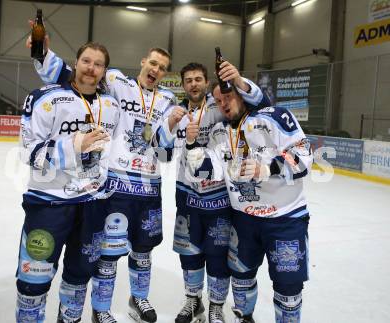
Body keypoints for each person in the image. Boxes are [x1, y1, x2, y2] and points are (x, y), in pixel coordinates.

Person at [31, 40, 184, 322]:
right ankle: (100, 309)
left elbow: (164, 150)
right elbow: (76, 76)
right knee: (107, 254)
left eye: (162, 68)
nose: (156, 70)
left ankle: (138, 299)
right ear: (142, 62)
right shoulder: (115, 81)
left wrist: (173, 125)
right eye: (153, 63)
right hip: (115, 184)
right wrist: (43, 55)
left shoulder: (167, 102)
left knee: (143, 250)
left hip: (149, 186)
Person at [185, 79, 313, 323]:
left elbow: (305, 155)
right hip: (243, 220)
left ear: (243, 95)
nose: (223, 104)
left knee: (288, 287)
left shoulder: (273, 117)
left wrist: (268, 169)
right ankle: (244, 318)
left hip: (285, 219)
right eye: (218, 101)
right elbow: (206, 171)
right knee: (241, 277)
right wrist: (192, 146)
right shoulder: (219, 132)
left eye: (228, 97)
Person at [16, 41, 120, 323]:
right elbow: (28, 151)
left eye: (98, 64)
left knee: (79, 275)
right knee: (33, 279)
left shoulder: (111, 105)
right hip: (49, 204)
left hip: (92, 205)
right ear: (76, 63)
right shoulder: (44, 99)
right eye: (86, 61)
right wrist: (75, 145)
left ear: (104, 71)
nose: (91, 68)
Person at [170, 62, 269, 323]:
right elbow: (161, 146)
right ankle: (194, 301)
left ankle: (216, 305)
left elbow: (261, 104)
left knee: (217, 255)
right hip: (186, 194)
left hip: (219, 198)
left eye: (198, 79)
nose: (193, 83)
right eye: (188, 80)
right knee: (189, 253)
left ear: (206, 82)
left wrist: (237, 80)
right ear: (183, 85)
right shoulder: (175, 112)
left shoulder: (219, 104)